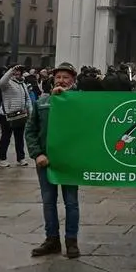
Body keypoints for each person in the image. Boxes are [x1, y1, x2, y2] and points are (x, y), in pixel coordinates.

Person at [26, 62, 82, 259]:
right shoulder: (42, 102)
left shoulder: (79, 103)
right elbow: (30, 131)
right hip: (45, 161)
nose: (62, 80)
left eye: (66, 77)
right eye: (58, 77)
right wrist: (37, 154)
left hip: (69, 162)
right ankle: (52, 239)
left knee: (71, 202)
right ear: (53, 80)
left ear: (73, 81)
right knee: (48, 202)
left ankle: (71, 240)